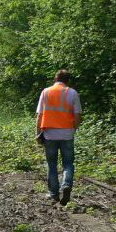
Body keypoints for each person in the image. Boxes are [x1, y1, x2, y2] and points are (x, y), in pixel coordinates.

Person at [36, 69, 82, 205]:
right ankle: (66, 184)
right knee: (68, 163)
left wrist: (38, 133)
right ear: (68, 81)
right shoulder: (72, 93)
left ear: (55, 79)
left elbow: (39, 115)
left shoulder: (46, 92)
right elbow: (78, 116)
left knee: (52, 164)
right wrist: (73, 129)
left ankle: (54, 194)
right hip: (67, 133)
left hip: (49, 133)